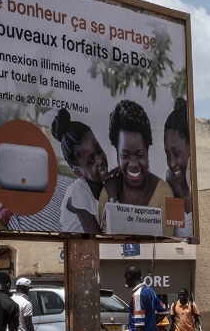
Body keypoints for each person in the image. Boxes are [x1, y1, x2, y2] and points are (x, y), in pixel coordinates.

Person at [99, 99, 175, 237]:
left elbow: (167, 241)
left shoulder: (165, 193)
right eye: (125, 155)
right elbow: (104, 243)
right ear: (117, 157)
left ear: (147, 154)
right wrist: (113, 199)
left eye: (140, 155)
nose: (133, 164)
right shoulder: (106, 194)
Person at [52, 108, 111, 234]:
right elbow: (96, 238)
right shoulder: (77, 190)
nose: (100, 160)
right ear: (79, 173)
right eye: (91, 161)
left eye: (99, 150)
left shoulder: (105, 187)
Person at [163, 98, 193, 239]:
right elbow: (173, 230)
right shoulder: (171, 180)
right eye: (168, 155)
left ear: (190, 148)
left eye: (176, 153)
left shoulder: (200, 184)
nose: (172, 163)